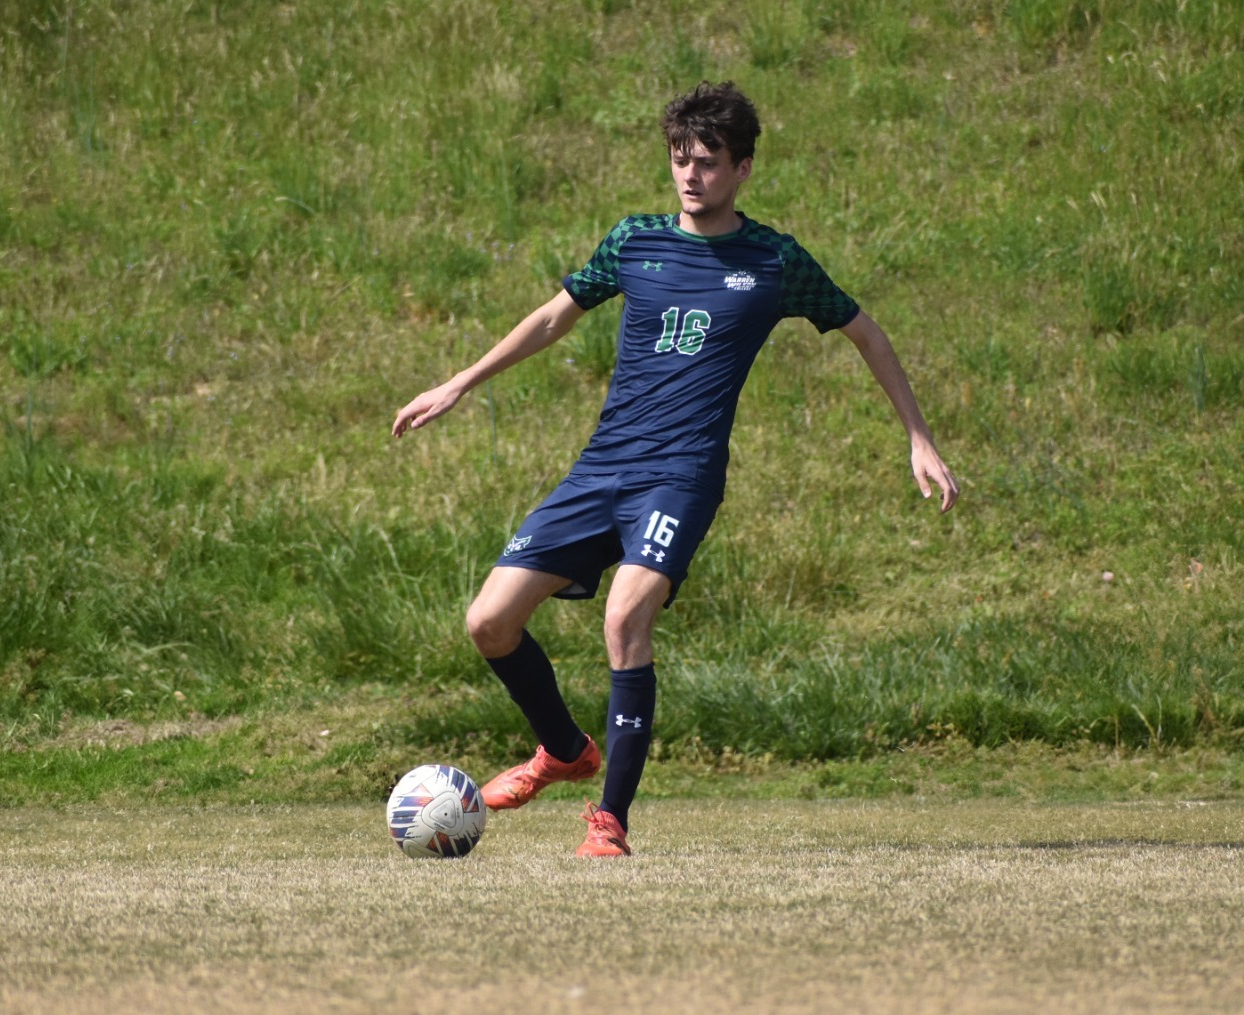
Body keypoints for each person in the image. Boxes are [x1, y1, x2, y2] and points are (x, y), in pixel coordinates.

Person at [390, 81, 958, 857]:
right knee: (489, 622)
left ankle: (610, 819)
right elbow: (555, 315)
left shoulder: (774, 260)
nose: (691, 176)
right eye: (680, 160)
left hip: (681, 475)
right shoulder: (635, 241)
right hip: (603, 469)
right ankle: (562, 750)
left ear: (744, 168)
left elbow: (867, 333)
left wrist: (918, 436)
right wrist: (459, 381)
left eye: (709, 163)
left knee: (624, 618)